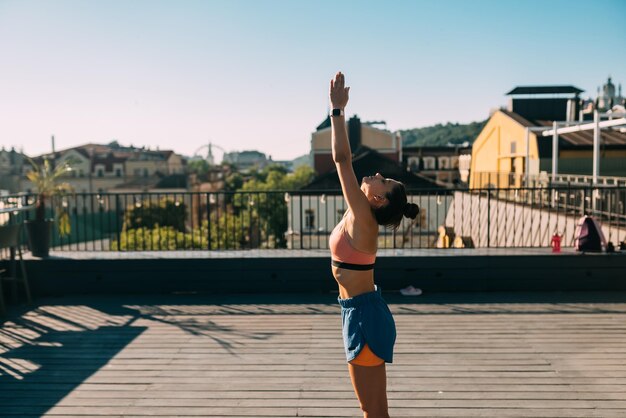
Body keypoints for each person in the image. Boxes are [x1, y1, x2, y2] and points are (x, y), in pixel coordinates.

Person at [328, 71, 420, 418]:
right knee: (372, 410)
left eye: (382, 181)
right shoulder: (361, 214)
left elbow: (341, 161)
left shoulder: (365, 221)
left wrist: (337, 111)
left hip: (364, 315)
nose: (376, 176)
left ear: (380, 200)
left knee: (373, 412)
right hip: (358, 310)